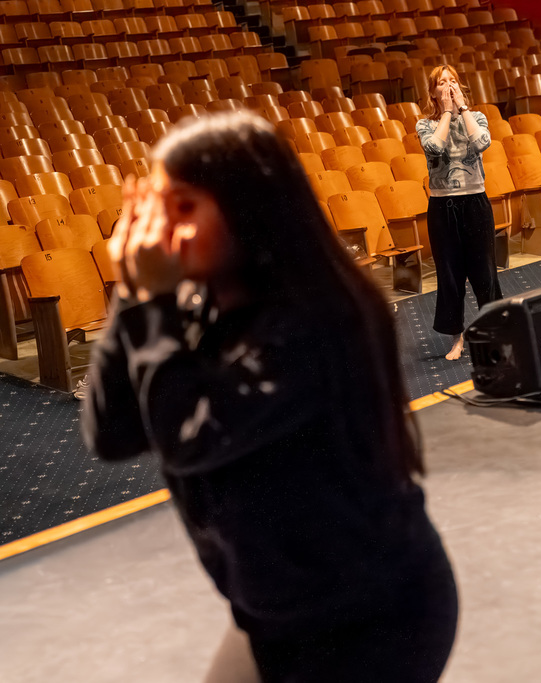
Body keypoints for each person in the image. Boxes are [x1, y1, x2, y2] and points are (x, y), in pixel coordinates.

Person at [81, 111, 458, 681]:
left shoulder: (318, 322)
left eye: (184, 208)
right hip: (281, 615)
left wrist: (152, 305)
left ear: (246, 211)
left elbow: (190, 438)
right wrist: (133, 298)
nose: (164, 229)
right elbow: (113, 434)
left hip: (372, 618)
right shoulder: (199, 310)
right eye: (161, 208)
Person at [416, 64, 502, 360]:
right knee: (450, 276)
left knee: (485, 274)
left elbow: (482, 142)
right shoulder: (424, 125)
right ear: (433, 91)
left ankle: (493, 332)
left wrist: (462, 108)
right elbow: (435, 148)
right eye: (442, 82)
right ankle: (457, 339)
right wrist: (447, 112)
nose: (449, 86)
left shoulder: (475, 117)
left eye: (453, 81)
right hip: (443, 207)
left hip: (475, 203)